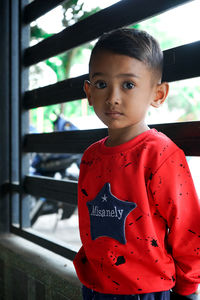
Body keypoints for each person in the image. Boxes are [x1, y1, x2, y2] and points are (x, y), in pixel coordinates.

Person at [73, 28, 200, 300]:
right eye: (101, 84)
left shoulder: (161, 155)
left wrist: (188, 286)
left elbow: (187, 228)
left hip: (146, 291)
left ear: (158, 94)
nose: (112, 97)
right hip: (94, 286)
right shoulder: (90, 157)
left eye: (128, 85)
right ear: (88, 92)